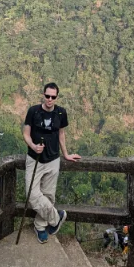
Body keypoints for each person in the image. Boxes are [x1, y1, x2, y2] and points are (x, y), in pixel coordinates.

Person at [22, 82, 81, 244]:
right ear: (43, 94)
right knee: (32, 194)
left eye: (53, 97)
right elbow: (26, 133)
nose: (49, 99)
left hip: (53, 159)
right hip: (34, 159)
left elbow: (61, 134)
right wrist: (33, 146)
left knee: (48, 195)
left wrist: (66, 154)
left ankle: (40, 227)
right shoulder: (33, 111)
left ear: (56, 97)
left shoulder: (61, 113)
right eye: (47, 96)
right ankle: (56, 218)